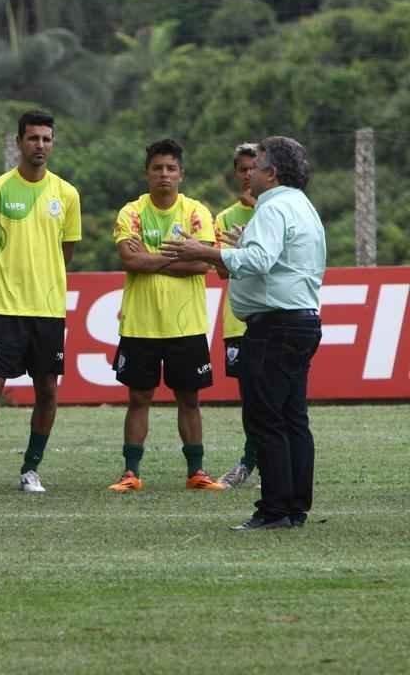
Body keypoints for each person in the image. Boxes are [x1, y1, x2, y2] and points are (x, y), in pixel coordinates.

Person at [162, 136, 325, 530]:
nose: (249, 172)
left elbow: (260, 261)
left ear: (272, 173)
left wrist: (204, 252)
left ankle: (273, 510)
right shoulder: (303, 206)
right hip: (302, 319)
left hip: (273, 325)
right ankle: (293, 508)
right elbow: (282, 258)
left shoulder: (272, 208)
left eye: (258, 165)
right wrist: (242, 247)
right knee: (292, 420)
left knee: (266, 420)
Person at [0, 110, 81, 495]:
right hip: (2, 308)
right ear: (19, 143)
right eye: (33, 138)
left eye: (47, 139)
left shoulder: (66, 195)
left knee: (47, 388)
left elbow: (66, 251)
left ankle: (31, 470)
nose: (40, 145)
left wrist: (43, 281)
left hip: (47, 309)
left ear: (53, 143)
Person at [108, 139, 224, 493]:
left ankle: (197, 472)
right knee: (138, 398)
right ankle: (131, 473)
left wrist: (152, 257)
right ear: (147, 174)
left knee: (189, 398)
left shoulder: (196, 213)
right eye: (157, 168)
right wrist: (177, 257)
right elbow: (130, 261)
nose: (164, 174)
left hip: (185, 324)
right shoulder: (130, 212)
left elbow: (205, 263)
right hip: (141, 323)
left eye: (170, 168)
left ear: (181, 174)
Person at [213, 143, 261, 489]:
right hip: (239, 320)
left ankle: (264, 462)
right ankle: (250, 461)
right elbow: (223, 271)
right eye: (242, 169)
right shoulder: (225, 218)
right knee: (250, 395)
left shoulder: (281, 211)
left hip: (276, 316)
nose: (247, 175)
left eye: (253, 168)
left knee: (276, 394)